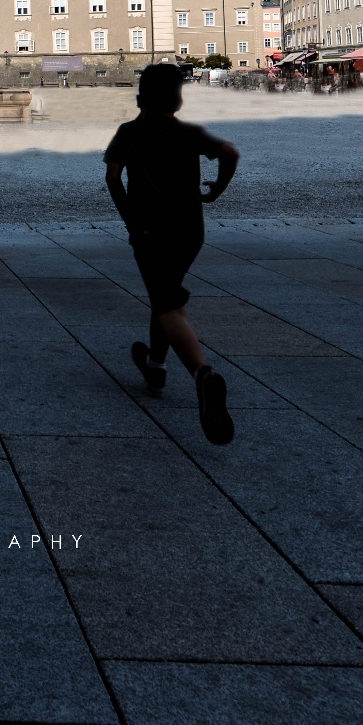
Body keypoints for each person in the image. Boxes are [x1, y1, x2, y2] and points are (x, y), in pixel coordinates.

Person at [104, 63, 239, 445]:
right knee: (163, 295)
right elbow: (229, 153)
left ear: (138, 98)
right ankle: (155, 366)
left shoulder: (130, 132)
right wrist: (215, 192)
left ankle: (203, 375)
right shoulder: (188, 133)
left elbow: (113, 177)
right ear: (178, 102)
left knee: (168, 306)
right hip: (190, 230)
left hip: (150, 229)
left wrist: (130, 218)